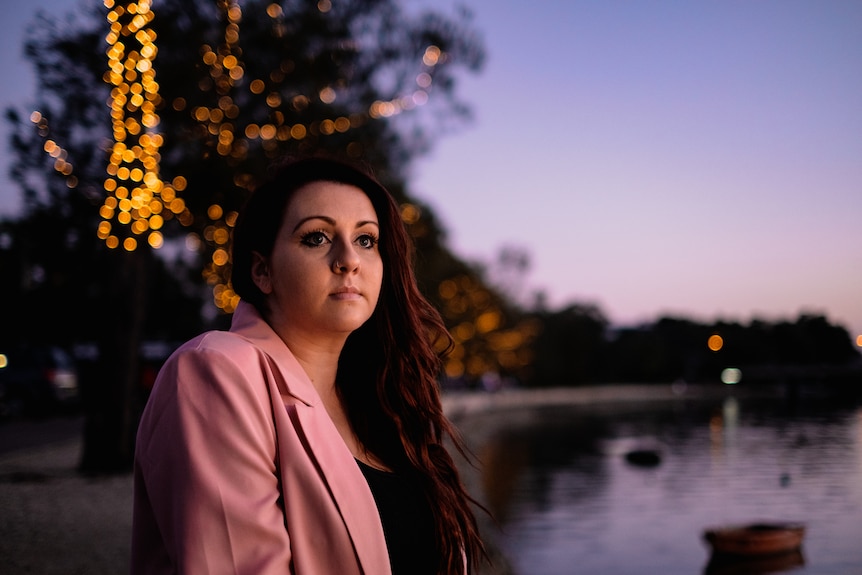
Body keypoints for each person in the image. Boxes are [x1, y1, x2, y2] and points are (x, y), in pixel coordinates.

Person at [131, 156, 486, 575]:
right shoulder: (217, 370)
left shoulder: (380, 402)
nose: (349, 259)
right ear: (262, 271)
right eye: (317, 237)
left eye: (367, 240)